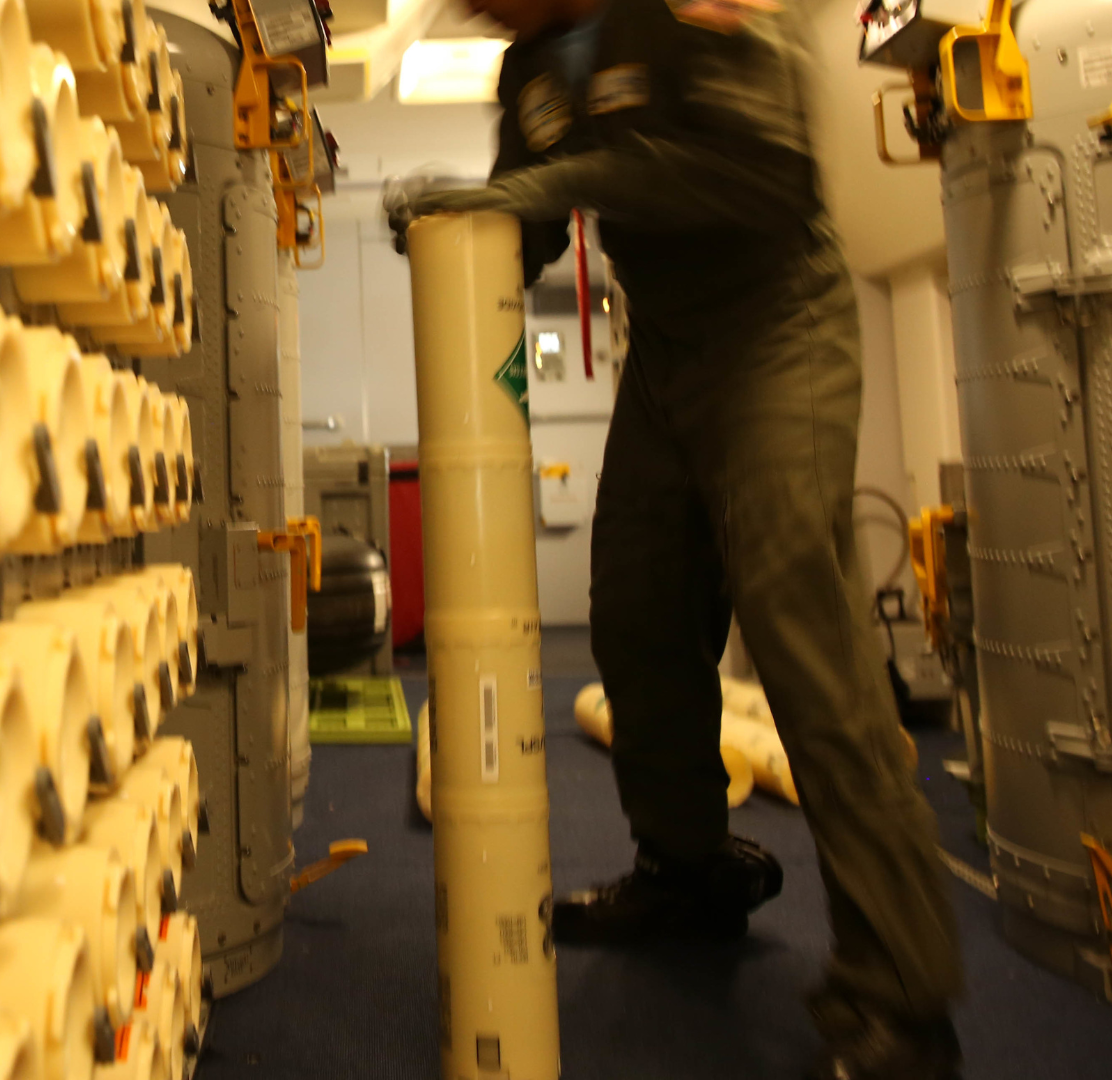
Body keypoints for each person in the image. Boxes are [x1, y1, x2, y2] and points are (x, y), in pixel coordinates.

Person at [387, 0, 965, 1076]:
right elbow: (527, 218)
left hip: (776, 324)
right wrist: (456, 222)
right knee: (637, 612)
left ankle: (902, 994)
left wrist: (551, 187)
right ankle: (689, 874)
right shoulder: (530, 67)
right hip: (666, 352)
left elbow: (759, 174)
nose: (472, 6)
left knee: (803, 632)